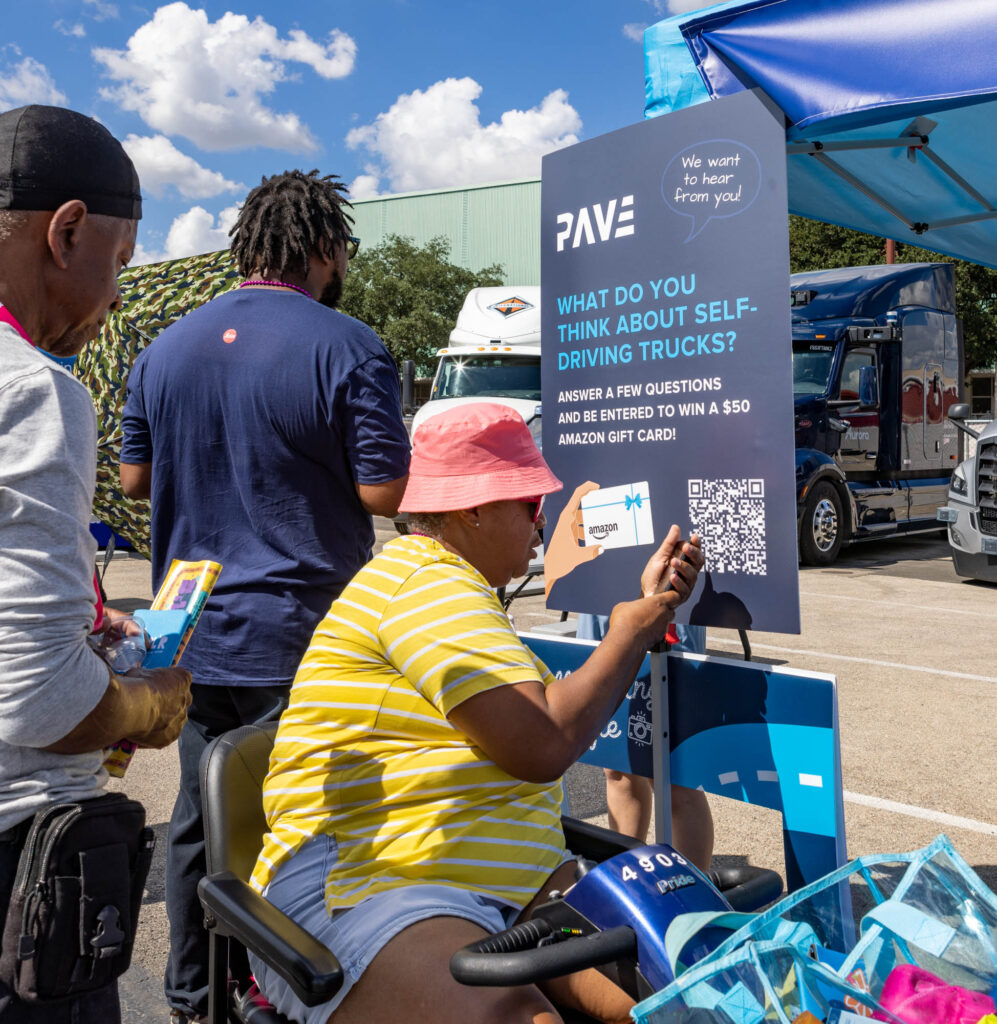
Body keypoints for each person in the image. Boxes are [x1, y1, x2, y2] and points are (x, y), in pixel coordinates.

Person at [248, 403, 703, 1024]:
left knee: (687, 1001)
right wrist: (630, 629)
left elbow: (544, 717)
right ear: (472, 509)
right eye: (530, 503)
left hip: (496, 878)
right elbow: (543, 742)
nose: (541, 521)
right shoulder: (426, 584)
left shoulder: (453, 590)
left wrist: (645, 608)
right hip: (373, 884)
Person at [119, 169, 411, 1023]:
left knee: (199, 815)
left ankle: (193, 994)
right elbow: (384, 493)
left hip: (188, 630)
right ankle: (281, 992)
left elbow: (134, 479)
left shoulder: (163, 348)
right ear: (322, 246)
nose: (343, 265)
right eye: (342, 250)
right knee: (307, 820)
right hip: (304, 632)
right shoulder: (347, 345)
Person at [0, 103, 192, 1024]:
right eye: (118, 262)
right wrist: (146, 704)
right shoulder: (35, 389)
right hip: (24, 875)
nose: (117, 296)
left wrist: (76, 624)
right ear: (66, 231)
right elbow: (41, 702)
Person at [576, 614, 713, 867]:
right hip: (604, 608)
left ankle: (692, 885)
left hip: (668, 616)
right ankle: (627, 874)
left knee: (676, 777)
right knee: (618, 768)